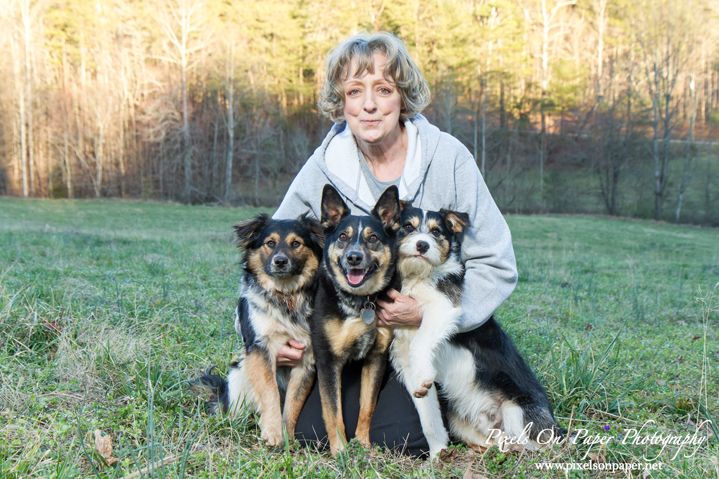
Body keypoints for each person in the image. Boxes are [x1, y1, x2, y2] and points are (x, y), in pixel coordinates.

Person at [268, 32, 517, 456]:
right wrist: (273, 337)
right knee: (311, 433)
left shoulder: (448, 158)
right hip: (349, 333)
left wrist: (426, 315)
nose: (369, 105)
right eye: (354, 91)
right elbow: (273, 251)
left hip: (419, 343)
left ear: (402, 96)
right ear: (340, 101)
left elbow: (496, 263)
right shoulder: (323, 168)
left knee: (397, 439)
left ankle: (450, 401)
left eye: (383, 90)